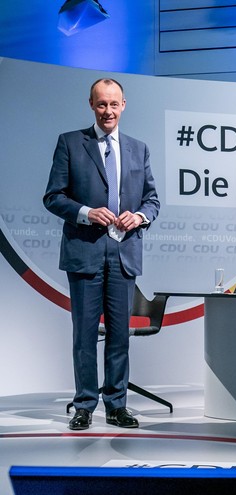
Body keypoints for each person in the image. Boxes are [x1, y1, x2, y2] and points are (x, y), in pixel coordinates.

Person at [44, 78, 160, 431]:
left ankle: (117, 405)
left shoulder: (138, 149)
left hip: (124, 254)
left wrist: (138, 216)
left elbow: (152, 201)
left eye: (114, 104)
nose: (108, 111)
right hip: (85, 253)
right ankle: (84, 405)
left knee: (120, 334)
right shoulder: (70, 143)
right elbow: (53, 197)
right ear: (91, 105)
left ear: (124, 104)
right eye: (101, 105)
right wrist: (86, 212)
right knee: (84, 334)